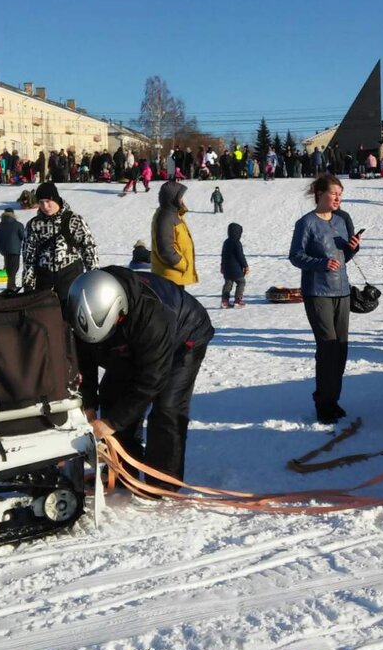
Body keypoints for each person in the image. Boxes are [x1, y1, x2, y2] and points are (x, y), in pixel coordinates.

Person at [68, 267, 214, 491]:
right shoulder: (81, 306)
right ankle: (124, 470)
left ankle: (162, 482)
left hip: (184, 338)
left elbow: (151, 381)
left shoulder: (153, 318)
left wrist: (110, 423)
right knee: (113, 396)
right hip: (130, 345)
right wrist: (88, 404)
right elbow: (84, 362)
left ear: (119, 312)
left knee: (167, 408)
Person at [288, 174, 362, 423]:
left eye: (340, 194)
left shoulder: (341, 221)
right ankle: (323, 403)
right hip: (317, 292)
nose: (338, 198)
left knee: (341, 349)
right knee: (328, 347)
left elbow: (344, 259)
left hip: (342, 290)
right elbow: (295, 256)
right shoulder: (306, 223)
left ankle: (333, 400)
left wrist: (352, 247)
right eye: (334, 193)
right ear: (320, 194)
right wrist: (320, 263)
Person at [21, 182, 99, 303]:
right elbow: (28, 257)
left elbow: (89, 248)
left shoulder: (74, 220)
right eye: (41, 202)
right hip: (44, 280)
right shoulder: (34, 225)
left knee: (70, 316)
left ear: (56, 199)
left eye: (48, 201)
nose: (45, 206)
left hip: (71, 277)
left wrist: (93, 278)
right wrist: (28, 285)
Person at [151, 181, 198, 288]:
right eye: (180, 197)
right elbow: (165, 249)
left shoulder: (172, 214)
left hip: (174, 276)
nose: (182, 199)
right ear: (173, 198)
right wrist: (182, 264)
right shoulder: (166, 217)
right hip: (170, 277)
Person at [0, 208, 26, 293]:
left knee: (9, 267)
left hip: (4, 250)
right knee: (14, 268)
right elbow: (24, 237)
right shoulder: (18, 225)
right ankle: (11, 286)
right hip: (14, 250)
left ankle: (10, 285)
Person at [220, 222, 249, 308]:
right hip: (236, 269)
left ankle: (224, 301)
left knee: (228, 284)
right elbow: (240, 256)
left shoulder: (226, 242)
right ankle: (238, 300)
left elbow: (223, 255)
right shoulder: (237, 243)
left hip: (226, 268)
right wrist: (245, 266)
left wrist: (222, 266)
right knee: (241, 282)